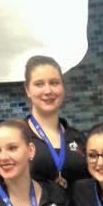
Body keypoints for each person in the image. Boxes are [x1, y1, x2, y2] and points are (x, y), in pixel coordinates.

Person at [23, 55, 88, 187]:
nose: (48, 91)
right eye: (39, 84)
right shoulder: (16, 137)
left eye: (54, 83)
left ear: (63, 87)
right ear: (27, 90)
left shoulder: (78, 138)